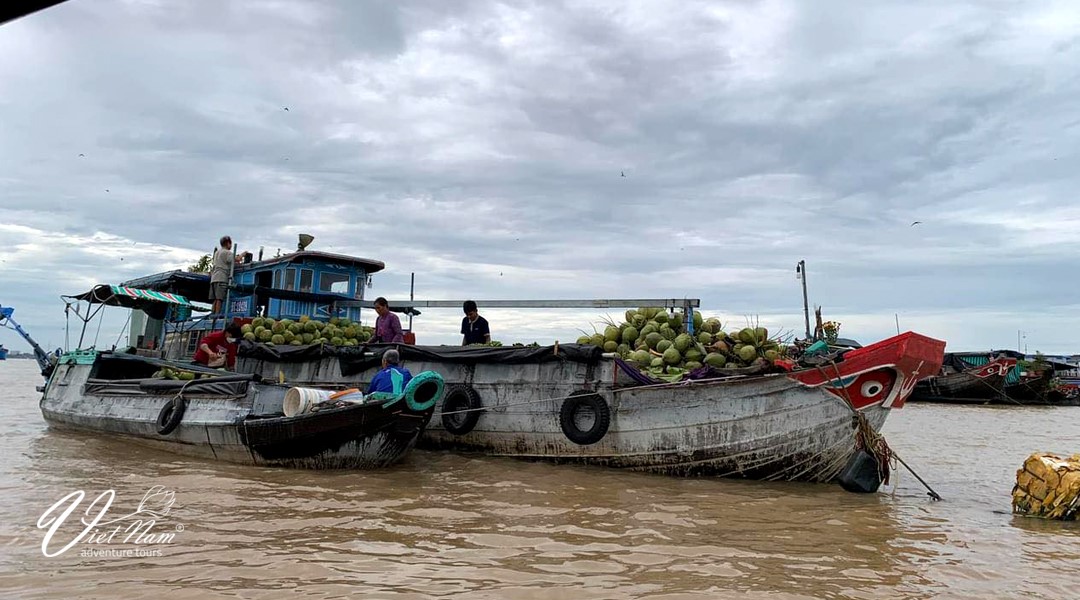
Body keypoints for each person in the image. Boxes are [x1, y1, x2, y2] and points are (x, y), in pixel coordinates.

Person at [210, 235, 234, 314]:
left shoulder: (217, 252)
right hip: (222, 277)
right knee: (219, 299)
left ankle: (212, 315)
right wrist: (242, 255)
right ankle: (216, 315)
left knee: (215, 299)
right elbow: (234, 260)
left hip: (214, 278)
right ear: (228, 243)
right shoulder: (227, 252)